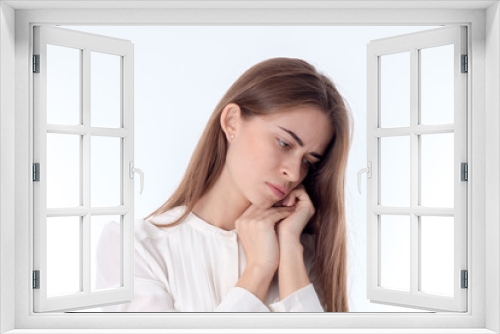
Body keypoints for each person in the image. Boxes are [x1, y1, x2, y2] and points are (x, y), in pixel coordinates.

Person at [97, 57, 352, 312]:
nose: (294, 172)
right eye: (284, 143)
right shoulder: (136, 249)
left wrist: (289, 252)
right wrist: (259, 269)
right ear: (232, 122)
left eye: (308, 161)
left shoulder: (301, 255)